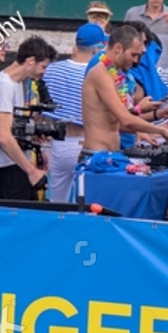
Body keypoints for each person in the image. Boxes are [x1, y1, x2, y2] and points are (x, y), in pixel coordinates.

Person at [81, 25, 168, 159]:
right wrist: (162, 131)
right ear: (118, 48)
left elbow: (118, 121)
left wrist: (159, 114)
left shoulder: (113, 72)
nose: (136, 61)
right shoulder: (100, 73)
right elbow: (126, 120)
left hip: (111, 154)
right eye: (133, 55)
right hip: (97, 157)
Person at [0, 35, 57, 201]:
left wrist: (34, 143)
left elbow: (14, 128)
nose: (44, 72)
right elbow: (4, 137)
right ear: (30, 61)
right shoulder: (4, 85)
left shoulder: (16, 83)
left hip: (15, 166)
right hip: (7, 171)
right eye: (43, 66)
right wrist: (31, 171)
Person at [42, 24, 103, 203]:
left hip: (57, 144)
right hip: (86, 142)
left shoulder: (51, 69)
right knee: (86, 202)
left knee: (57, 201)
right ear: (97, 49)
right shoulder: (97, 73)